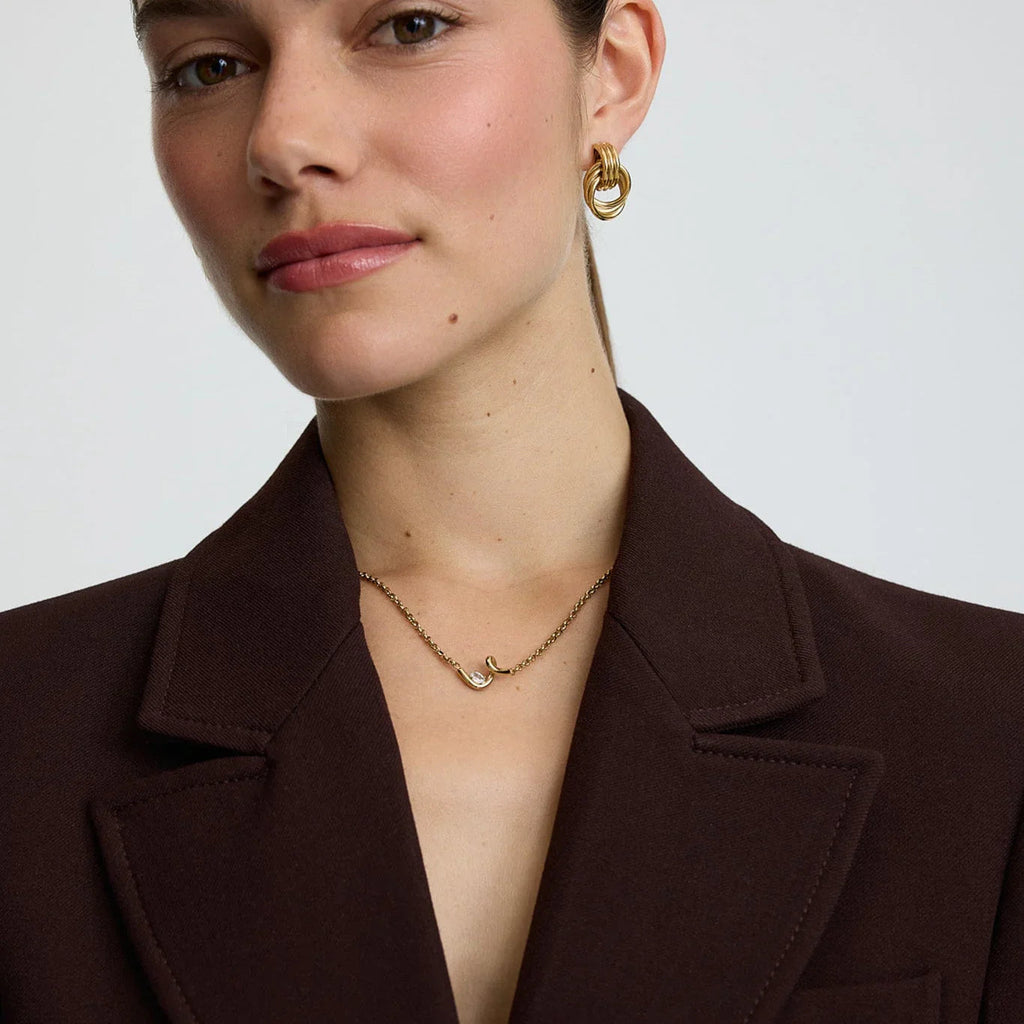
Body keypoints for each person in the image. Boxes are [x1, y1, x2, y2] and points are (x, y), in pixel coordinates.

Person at [0, 1, 1021, 1022]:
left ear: (611, 74)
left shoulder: (990, 739)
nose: (283, 140)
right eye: (208, 65)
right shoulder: (23, 740)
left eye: (406, 27)